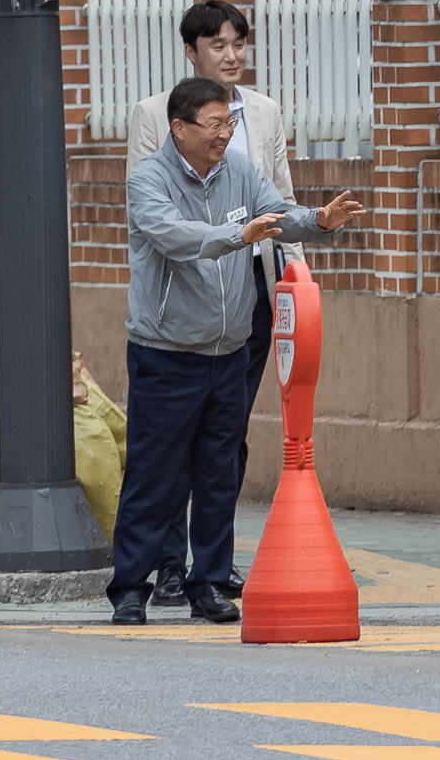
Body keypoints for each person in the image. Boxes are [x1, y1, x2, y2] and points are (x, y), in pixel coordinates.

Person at [112, 77, 364, 626]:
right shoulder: (148, 181)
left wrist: (318, 222)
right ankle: (131, 587)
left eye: (230, 123)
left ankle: (209, 581)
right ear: (178, 128)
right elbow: (174, 237)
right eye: (214, 124)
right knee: (154, 474)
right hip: (166, 351)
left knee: (219, 472)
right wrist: (236, 237)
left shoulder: (240, 172)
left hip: (228, 351)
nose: (225, 134)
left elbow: (278, 211)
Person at [126, 0, 301, 607]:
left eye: (238, 43)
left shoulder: (264, 113)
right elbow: (158, 219)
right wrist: (233, 235)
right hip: (179, 307)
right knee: (164, 450)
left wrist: (305, 246)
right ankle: (164, 568)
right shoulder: (156, 116)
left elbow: (277, 197)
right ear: (192, 53)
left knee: (223, 441)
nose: (231, 55)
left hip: (244, 297)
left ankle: (212, 573)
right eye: (218, 44)